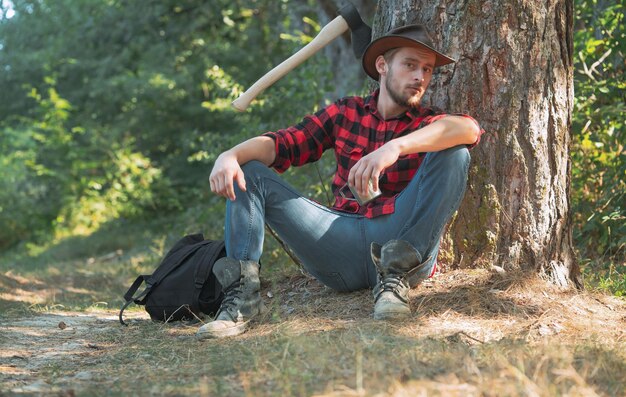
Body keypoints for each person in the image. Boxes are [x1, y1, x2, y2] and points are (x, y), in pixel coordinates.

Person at [196, 24, 483, 339]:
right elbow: (282, 144)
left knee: (454, 153)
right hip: (338, 243)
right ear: (383, 66)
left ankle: (394, 279)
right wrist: (230, 155)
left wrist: (395, 147)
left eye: (427, 69)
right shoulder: (346, 113)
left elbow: (468, 129)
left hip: (399, 238)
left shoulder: (427, 124)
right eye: (410, 65)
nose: (420, 77)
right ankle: (243, 300)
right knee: (248, 170)